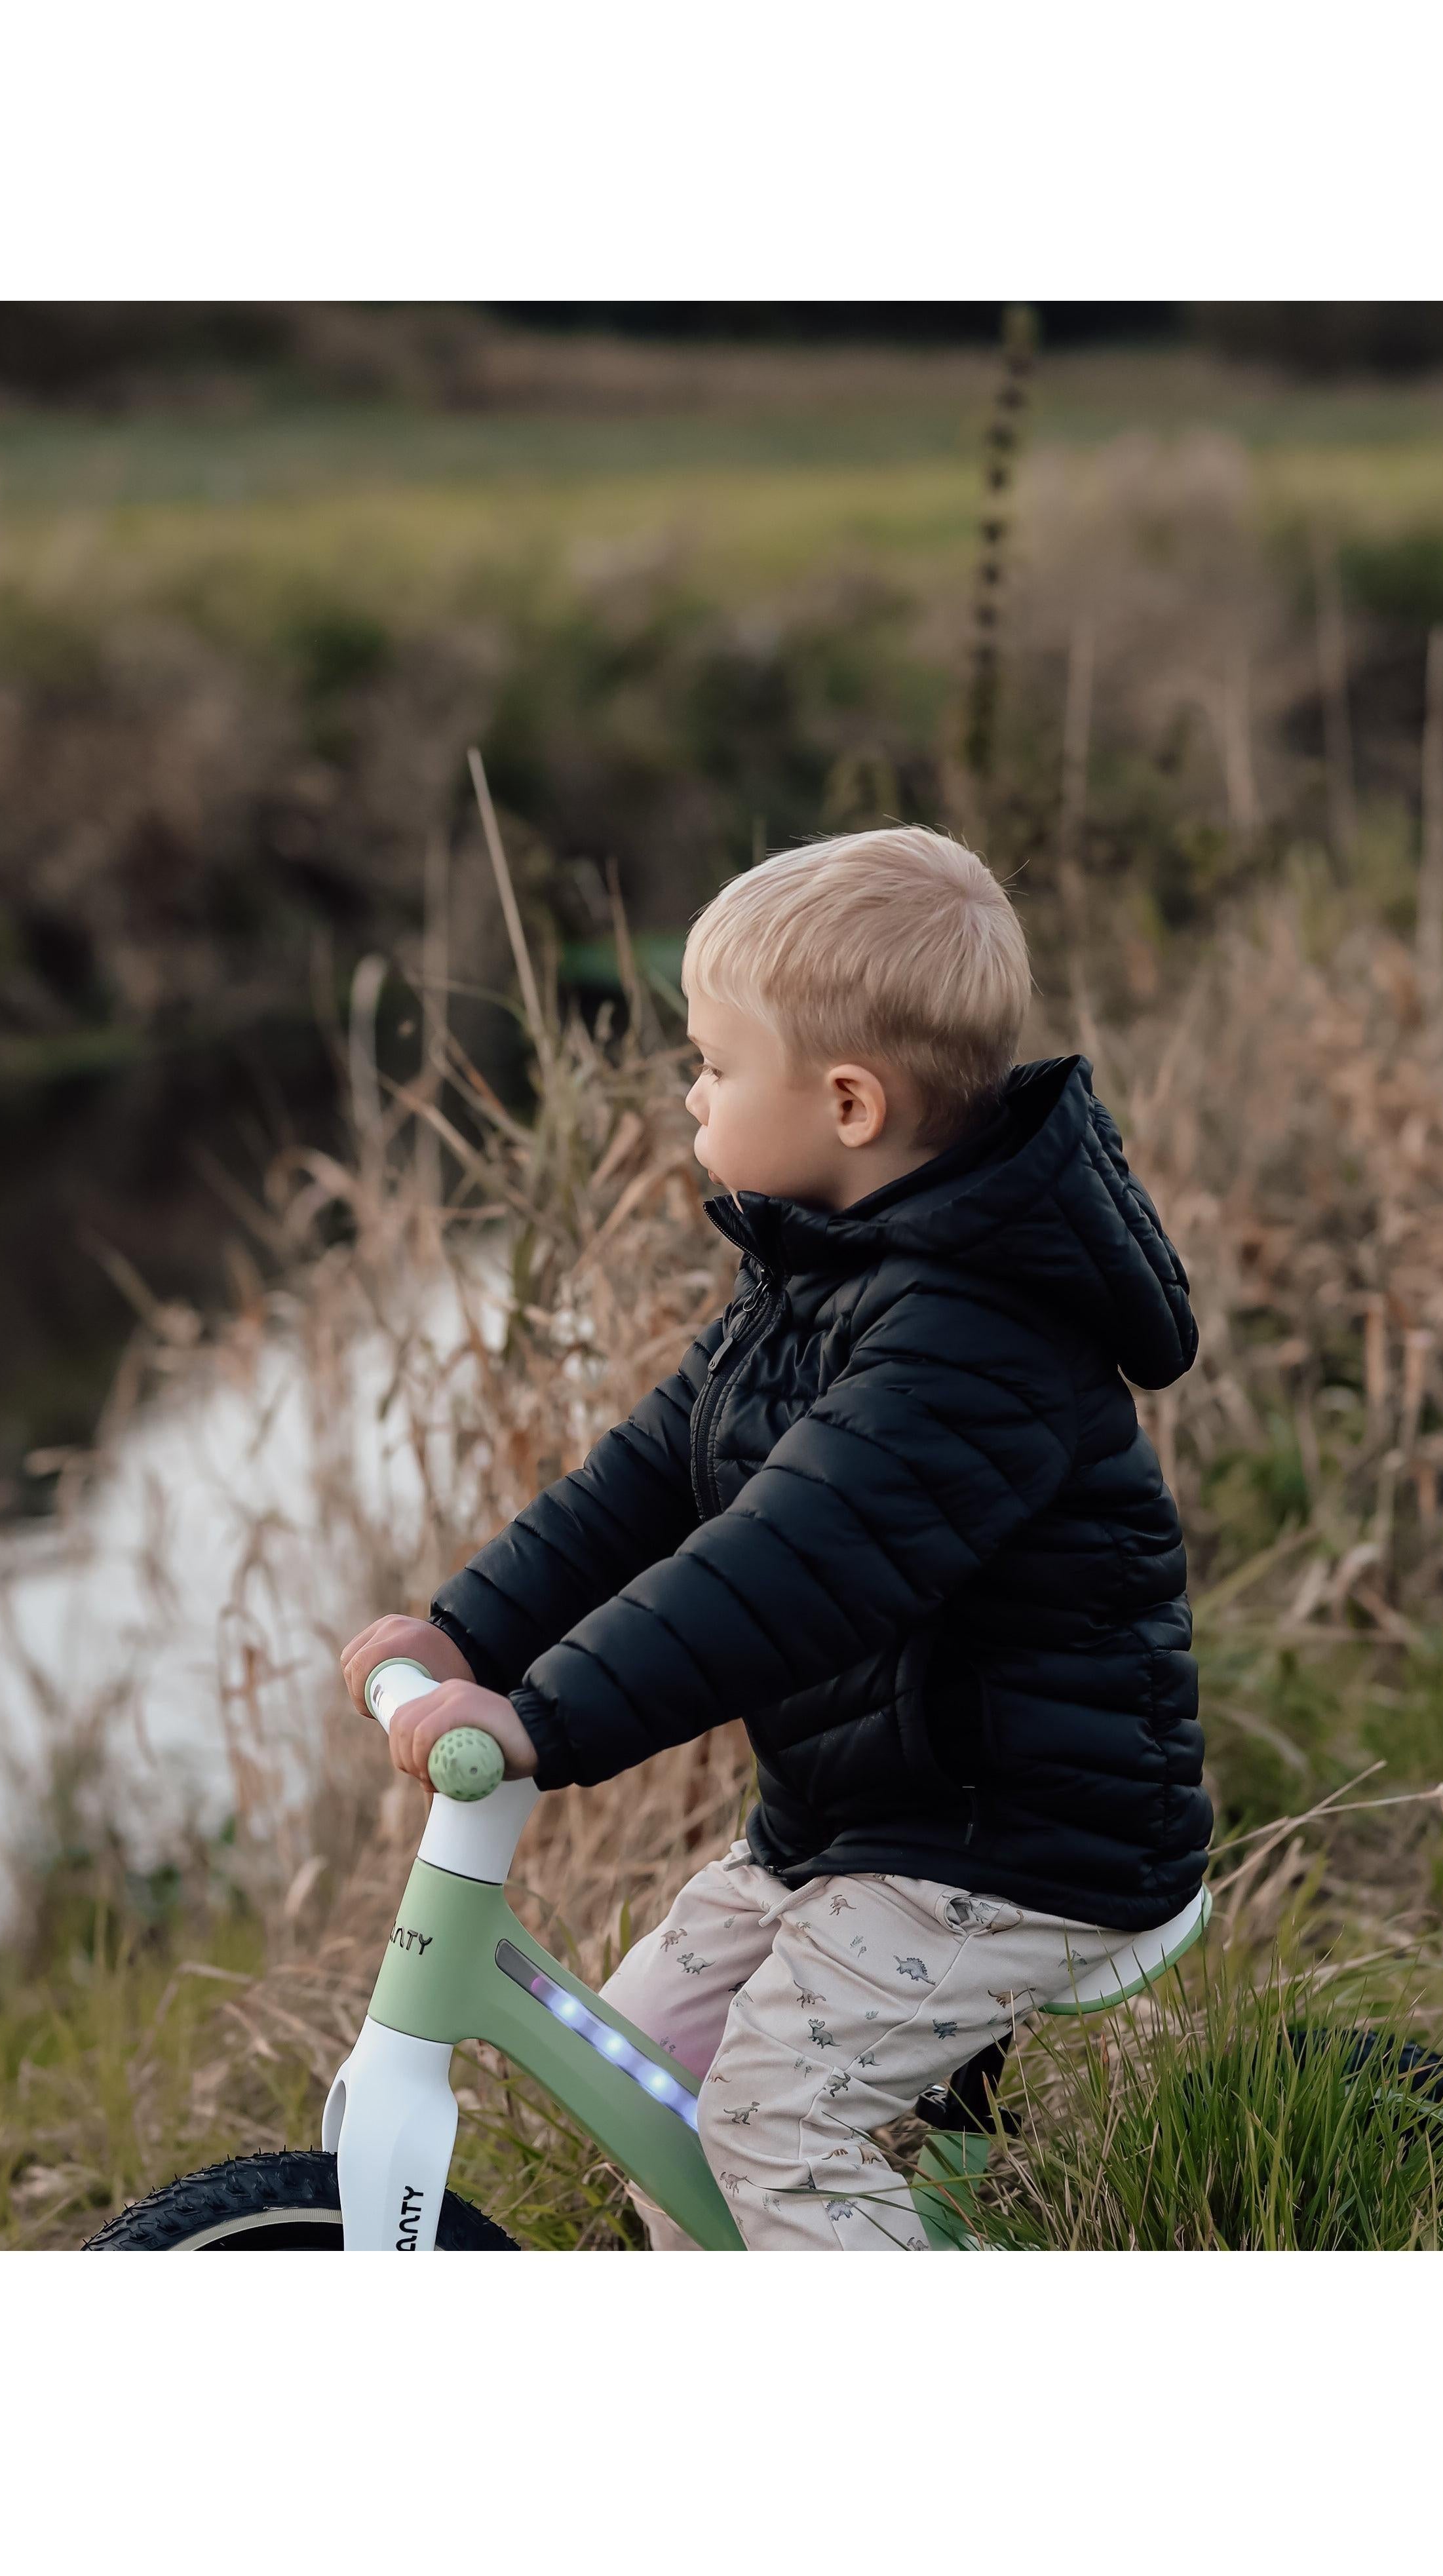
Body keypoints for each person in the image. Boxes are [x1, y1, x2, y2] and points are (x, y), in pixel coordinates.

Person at [339, 824, 1208, 2248]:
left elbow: (782, 1569)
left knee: (768, 2119)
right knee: (643, 2070)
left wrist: (545, 1718)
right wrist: (467, 1630)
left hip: (1020, 1846)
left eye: (714, 1063)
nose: (690, 1091)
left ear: (849, 1102)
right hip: (863, 1825)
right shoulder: (816, 1263)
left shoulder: (976, 1343)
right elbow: (649, 1476)